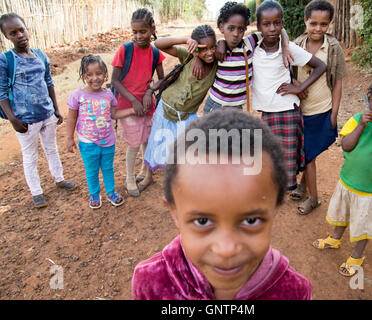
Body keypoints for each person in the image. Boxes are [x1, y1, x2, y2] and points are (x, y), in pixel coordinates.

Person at [132, 109, 312, 300]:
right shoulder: (150, 282)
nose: (227, 250)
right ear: (174, 213)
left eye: (251, 220)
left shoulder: (295, 292)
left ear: (274, 210)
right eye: (202, 221)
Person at [312, 72, 372, 277]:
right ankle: (335, 239)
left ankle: (357, 255)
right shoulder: (358, 119)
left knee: (362, 224)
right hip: (347, 181)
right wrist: (362, 125)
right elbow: (346, 146)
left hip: (369, 189)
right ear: (368, 99)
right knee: (341, 214)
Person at [0, 13, 75, 208]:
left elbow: (48, 82)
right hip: (24, 120)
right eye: (13, 33)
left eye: (21, 29)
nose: (19, 35)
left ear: (26, 29)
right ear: (7, 37)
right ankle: (36, 192)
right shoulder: (5, 60)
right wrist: (12, 118)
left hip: (46, 114)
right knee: (30, 156)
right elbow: (0, 91)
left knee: (51, 150)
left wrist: (56, 109)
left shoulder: (40, 56)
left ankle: (59, 179)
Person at [252, 0, 326, 191]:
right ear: (258, 25)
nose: (272, 28)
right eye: (266, 24)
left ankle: (285, 187)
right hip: (267, 110)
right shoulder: (252, 49)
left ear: (282, 23)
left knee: (286, 153)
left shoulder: (289, 48)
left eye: (277, 23)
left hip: (286, 109)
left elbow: (321, 66)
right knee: (268, 153)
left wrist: (298, 88)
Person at [291, 0, 347, 215]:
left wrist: (334, 112)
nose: (317, 28)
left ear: (330, 24)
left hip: (321, 110)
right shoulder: (296, 44)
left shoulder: (333, 48)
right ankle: (303, 186)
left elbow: (338, 81)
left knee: (310, 156)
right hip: (299, 109)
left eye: (323, 24)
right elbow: (287, 72)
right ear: (306, 21)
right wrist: (296, 85)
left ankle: (314, 199)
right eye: (313, 23)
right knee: (307, 153)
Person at [143, 25, 217, 171]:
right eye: (203, 48)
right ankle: (148, 177)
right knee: (160, 148)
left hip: (186, 116)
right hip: (165, 108)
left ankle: (182, 183)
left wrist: (219, 47)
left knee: (186, 155)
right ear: (195, 48)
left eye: (212, 47)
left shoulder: (218, 64)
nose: (209, 53)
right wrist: (186, 40)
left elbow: (229, 46)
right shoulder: (188, 56)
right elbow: (158, 44)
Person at [111, 8, 166, 196]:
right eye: (134, 32)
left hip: (147, 105)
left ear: (152, 29)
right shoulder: (125, 50)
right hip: (128, 106)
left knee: (147, 140)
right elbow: (115, 81)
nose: (138, 36)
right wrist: (134, 100)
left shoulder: (156, 53)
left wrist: (150, 91)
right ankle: (129, 177)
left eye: (142, 31)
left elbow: (162, 79)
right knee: (134, 143)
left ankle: (145, 170)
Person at [201, 1, 293, 114]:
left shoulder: (249, 43)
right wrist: (219, 43)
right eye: (231, 28)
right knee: (210, 132)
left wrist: (285, 45)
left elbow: (279, 30)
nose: (236, 34)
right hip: (215, 106)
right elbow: (198, 51)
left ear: (245, 29)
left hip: (237, 108)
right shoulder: (216, 49)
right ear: (221, 27)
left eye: (240, 29)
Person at [66, 55, 124, 209]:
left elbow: (114, 114)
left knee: (108, 168)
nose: (95, 78)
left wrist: (133, 110)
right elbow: (71, 119)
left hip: (107, 140)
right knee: (91, 170)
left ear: (105, 73)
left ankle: (111, 192)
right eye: (89, 75)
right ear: (84, 76)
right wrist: (69, 138)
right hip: (87, 142)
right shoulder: (77, 95)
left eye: (99, 73)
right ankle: (94, 194)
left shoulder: (108, 94)